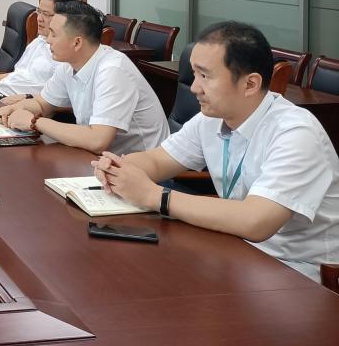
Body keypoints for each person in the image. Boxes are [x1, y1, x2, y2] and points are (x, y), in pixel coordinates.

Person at [92, 21, 339, 279]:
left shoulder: (296, 133)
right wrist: (120, 168)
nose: (194, 87)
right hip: (236, 249)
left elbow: (256, 221)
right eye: (194, 74)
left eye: (205, 76)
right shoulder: (210, 118)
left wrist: (154, 196)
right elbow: (158, 160)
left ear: (250, 84)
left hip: (298, 271)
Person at [0, 0, 169, 155]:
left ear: (77, 42)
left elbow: (98, 140)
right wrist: (17, 108)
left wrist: (34, 122)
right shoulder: (68, 65)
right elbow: (43, 103)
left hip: (141, 169)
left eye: (54, 34)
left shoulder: (113, 71)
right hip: (100, 161)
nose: (48, 40)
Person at [0, 0, 75, 97]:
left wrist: (25, 99)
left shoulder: (65, 54)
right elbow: (18, 75)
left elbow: (59, 97)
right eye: (39, 11)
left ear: (63, 17)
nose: (39, 18)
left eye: (46, 14)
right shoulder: (39, 41)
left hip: (21, 102)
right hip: (2, 93)